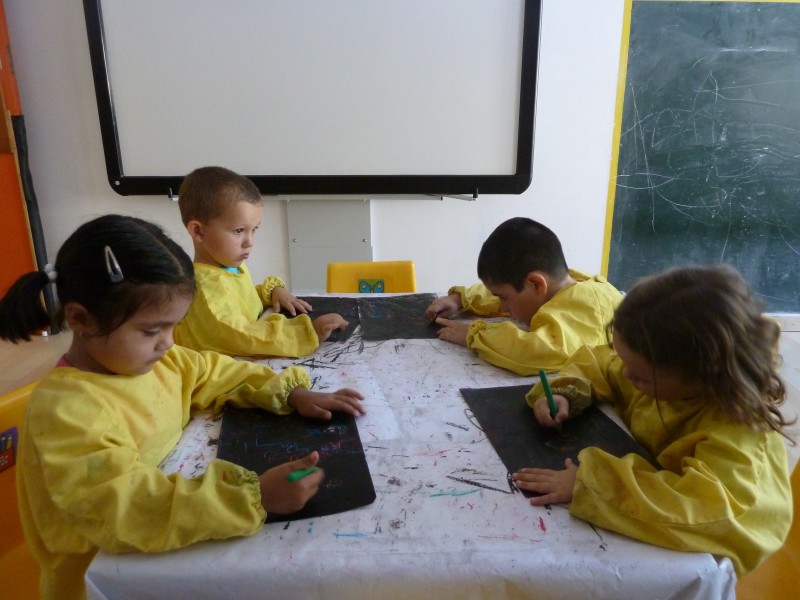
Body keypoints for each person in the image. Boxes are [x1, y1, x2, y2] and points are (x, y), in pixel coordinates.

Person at [0, 215, 365, 600]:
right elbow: (126, 508)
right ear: (80, 319)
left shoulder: (157, 360)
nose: (169, 343)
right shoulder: (66, 411)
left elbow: (212, 371)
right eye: (151, 331)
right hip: (102, 581)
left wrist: (288, 393)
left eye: (172, 327)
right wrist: (253, 497)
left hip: (160, 554)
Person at [513, 264, 795, 575]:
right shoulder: (660, 368)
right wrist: (565, 391)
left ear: (704, 372)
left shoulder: (737, 430)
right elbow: (601, 362)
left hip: (716, 569)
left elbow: (704, 511)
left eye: (641, 377)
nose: (626, 375)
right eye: (627, 363)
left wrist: (592, 483)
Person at [173, 166, 347, 357]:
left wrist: (273, 291)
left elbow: (243, 302)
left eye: (253, 229)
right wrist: (307, 333)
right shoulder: (207, 288)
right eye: (239, 231)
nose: (249, 242)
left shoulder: (228, 267)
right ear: (198, 231)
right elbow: (242, 335)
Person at [425, 217, 622, 375]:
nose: (503, 306)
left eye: (504, 298)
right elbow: (507, 291)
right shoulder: (566, 283)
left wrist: (473, 334)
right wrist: (461, 299)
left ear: (536, 284)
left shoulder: (587, 308)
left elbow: (535, 353)